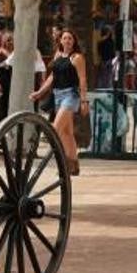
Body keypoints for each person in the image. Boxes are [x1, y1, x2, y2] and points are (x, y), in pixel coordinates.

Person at [31, 30, 88, 176]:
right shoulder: (57, 55)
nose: (67, 41)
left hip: (71, 96)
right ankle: (73, 166)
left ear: (74, 41)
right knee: (67, 133)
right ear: (61, 41)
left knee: (55, 129)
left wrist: (84, 101)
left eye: (70, 38)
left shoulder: (77, 58)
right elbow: (52, 77)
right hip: (57, 95)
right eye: (65, 38)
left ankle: (63, 165)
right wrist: (40, 92)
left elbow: (82, 80)